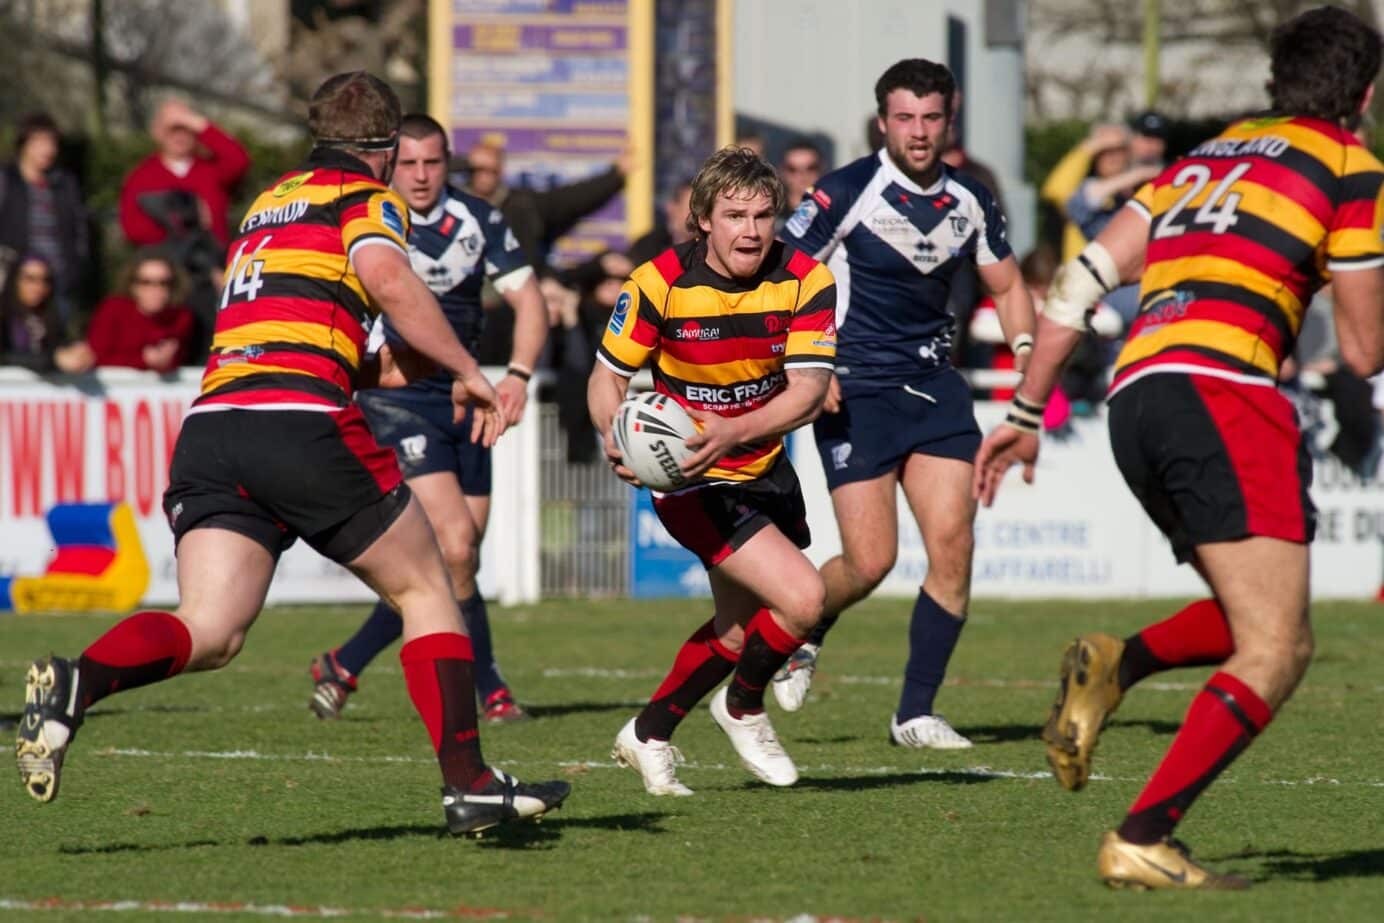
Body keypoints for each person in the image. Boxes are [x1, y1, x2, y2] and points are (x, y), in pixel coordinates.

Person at [15, 71, 569, 836]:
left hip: (214, 427)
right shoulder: (365, 199)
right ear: (380, 151)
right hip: (300, 422)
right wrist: (472, 372)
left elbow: (315, 336)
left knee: (211, 628)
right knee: (428, 585)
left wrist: (427, 367)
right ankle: (470, 782)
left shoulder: (266, 205)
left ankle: (79, 681)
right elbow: (388, 279)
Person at [973, 7, 1384, 889]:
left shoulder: (1204, 160)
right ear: (1366, 91)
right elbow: (1361, 352)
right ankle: (1143, 835)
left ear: (1278, 84)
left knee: (1256, 617)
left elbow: (1082, 279)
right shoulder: (1351, 166)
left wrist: (1024, 408)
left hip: (1137, 396)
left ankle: (1120, 661)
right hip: (1223, 393)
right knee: (1277, 647)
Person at [772, 59, 1035, 747]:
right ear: (883, 121)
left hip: (934, 387)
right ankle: (807, 629)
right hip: (854, 388)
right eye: (905, 119)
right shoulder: (844, 192)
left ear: (951, 121)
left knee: (954, 546)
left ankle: (914, 712)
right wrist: (809, 362)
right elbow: (780, 276)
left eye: (931, 118)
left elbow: (1008, 287)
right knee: (871, 560)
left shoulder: (972, 199)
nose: (918, 133)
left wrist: (1029, 357)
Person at [588, 146, 837, 795]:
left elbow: (809, 390)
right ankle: (743, 706)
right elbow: (606, 376)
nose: (751, 230)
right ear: (703, 218)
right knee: (804, 599)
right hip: (691, 478)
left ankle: (648, 732)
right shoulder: (657, 282)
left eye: (762, 215)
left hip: (762, 464)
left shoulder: (808, 279)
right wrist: (614, 434)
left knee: (735, 628)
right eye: (734, 215)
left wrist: (733, 430)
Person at [308, 113, 548, 724]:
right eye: (408, 162)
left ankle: (344, 662)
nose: (419, 175)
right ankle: (489, 687)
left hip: (467, 396)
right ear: (391, 163)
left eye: (432, 162)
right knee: (456, 543)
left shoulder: (478, 219)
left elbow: (529, 301)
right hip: (397, 395)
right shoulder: (371, 217)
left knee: (456, 559)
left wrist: (517, 375)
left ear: (448, 163)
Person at [0, 113, 90, 335]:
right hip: (15, 279)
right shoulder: (7, 180)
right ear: (24, 144)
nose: (48, 150)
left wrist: (76, 266)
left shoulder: (65, 183)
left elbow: (79, 229)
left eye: (52, 143)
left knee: (54, 338)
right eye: (40, 142)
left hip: (57, 279)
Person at [119, 99, 251, 250]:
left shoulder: (210, 170)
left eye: (185, 129)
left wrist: (195, 122)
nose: (179, 136)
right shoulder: (142, 177)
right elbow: (132, 228)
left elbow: (239, 160)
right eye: (172, 130)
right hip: (167, 262)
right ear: (157, 132)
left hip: (213, 259)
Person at [86, 250, 196, 372]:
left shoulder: (181, 317)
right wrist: (143, 360)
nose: (155, 289)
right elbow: (95, 357)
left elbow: (182, 358)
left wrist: (168, 360)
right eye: (146, 282)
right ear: (133, 286)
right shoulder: (112, 309)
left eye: (164, 283)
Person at [0, 254, 93, 373]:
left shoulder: (50, 318)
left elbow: (60, 346)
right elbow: (4, 357)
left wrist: (76, 353)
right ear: (15, 281)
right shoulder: (4, 315)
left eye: (44, 280)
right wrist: (52, 360)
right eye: (30, 279)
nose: (38, 287)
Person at [776, 139, 823, 230]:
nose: (802, 176)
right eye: (792, 169)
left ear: (822, 168)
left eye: (811, 168)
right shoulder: (770, 213)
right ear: (782, 171)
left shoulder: (836, 212)